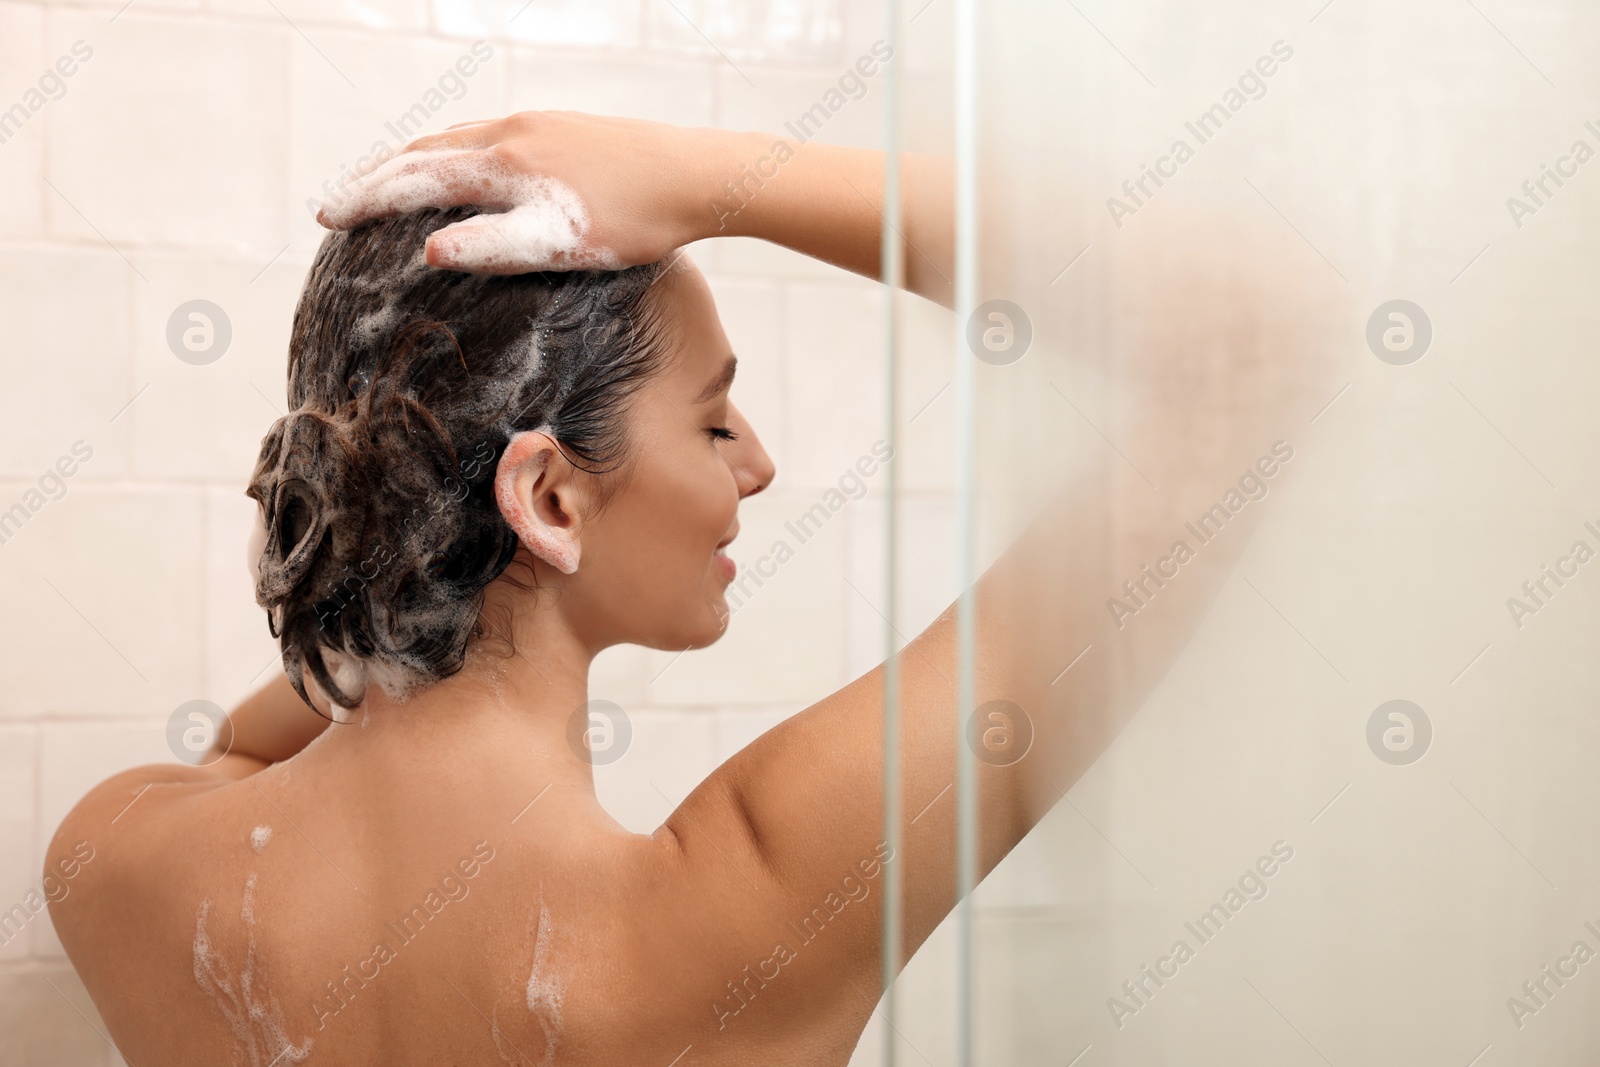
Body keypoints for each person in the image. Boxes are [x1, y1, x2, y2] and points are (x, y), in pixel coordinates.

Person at [45, 112, 1339, 1065]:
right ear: (550, 500)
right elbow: (1254, 339)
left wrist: (404, 562)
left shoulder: (121, 863)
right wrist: (717, 181)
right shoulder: (735, 909)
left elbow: (238, 749)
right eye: (716, 423)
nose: (761, 464)